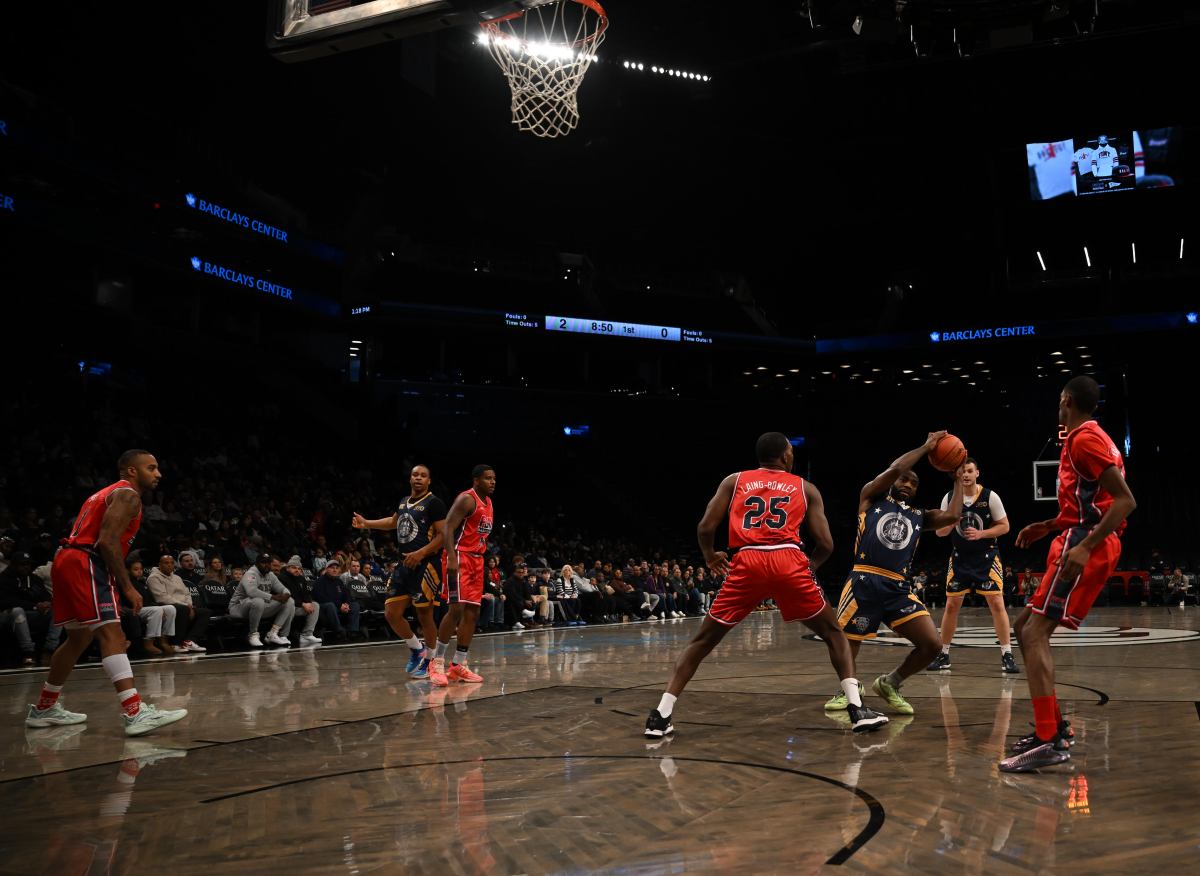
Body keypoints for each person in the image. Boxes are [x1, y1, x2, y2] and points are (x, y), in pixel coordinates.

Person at [646, 432, 889, 737]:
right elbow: (826, 544)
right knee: (832, 632)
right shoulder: (806, 487)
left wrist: (710, 555)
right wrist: (808, 568)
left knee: (702, 641)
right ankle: (857, 709)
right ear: (786, 456)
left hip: (746, 561)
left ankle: (661, 715)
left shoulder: (733, 481)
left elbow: (706, 526)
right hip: (788, 558)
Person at [1001, 377, 1135, 773]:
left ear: (1066, 401)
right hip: (1074, 535)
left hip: (1085, 544)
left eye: (1059, 403)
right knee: (1025, 626)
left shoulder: (1083, 440)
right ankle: (1054, 728)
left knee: (1033, 633)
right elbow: (1090, 501)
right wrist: (1048, 524)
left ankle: (1049, 741)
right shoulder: (1088, 437)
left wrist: (1085, 546)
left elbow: (1125, 501)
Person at [25, 450, 188, 736]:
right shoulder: (128, 495)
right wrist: (127, 586)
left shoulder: (104, 493)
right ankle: (134, 712)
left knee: (79, 637)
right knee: (111, 633)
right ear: (131, 471)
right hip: (86, 560)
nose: (158, 474)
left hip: (67, 558)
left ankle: (45, 708)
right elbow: (107, 541)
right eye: (151, 468)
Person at [826, 432, 963, 717]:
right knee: (850, 641)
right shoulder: (870, 498)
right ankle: (848, 691)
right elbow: (896, 469)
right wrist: (926, 448)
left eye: (914, 483)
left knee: (932, 644)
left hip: (897, 586)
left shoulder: (919, 516)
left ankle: (890, 683)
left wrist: (958, 478)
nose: (908, 484)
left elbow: (952, 516)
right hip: (864, 579)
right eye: (905, 480)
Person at [352, 464, 446, 677]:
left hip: (427, 564)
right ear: (410, 478)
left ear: (429, 480)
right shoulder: (404, 501)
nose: (418, 478)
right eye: (415, 475)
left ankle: (431, 659)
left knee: (424, 615)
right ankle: (417, 649)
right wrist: (366, 523)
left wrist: (421, 553)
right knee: (391, 613)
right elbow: (393, 522)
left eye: (423, 475)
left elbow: (443, 535)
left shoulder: (435, 503)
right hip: (404, 564)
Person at [927, 458, 1018, 674]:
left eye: (969, 471)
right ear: (957, 476)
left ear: (977, 472)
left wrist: (981, 534)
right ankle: (944, 654)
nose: (966, 475)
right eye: (962, 472)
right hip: (959, 559)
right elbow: (939, 533)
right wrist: (950, 522)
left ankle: (1007, 654)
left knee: (997, 603)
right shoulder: (949, 498)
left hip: (986, 558)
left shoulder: (990, 496)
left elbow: (1005, 526)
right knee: (951, 606)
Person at [427, 466, 495, 687]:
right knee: (456, 609)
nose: (492, 482)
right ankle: (436, 663)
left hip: (477, 559)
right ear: (476, 480)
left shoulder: (489, 502)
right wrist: (452, 559)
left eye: (494, 478)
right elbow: (447, 527)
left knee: (473, 612)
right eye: (488, 478)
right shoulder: (467, 499)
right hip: (459, 555)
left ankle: (459, 664)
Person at [227, 552, 295, 648]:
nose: (266, 565)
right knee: (258, 600)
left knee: (290, 601)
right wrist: (273, 597)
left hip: (259, 607)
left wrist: (286, 595)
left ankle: (274, 634)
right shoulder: (250, 573)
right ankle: (253, 634)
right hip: (238, 608)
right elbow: (252, 592)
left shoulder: (270, 574)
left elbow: (283, 588)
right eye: (263, 563)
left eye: (268, 563)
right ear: (257, 563)